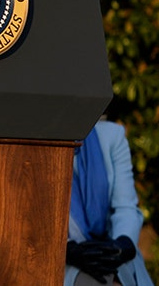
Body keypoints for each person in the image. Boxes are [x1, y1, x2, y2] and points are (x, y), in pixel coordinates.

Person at [65, 118, 154, 286]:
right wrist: (68, 251)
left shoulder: (113, 136)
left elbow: (126, 208)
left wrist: (122, 245)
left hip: (112, 251)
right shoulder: (34, 142)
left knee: (118, 278)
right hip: (64, 262)